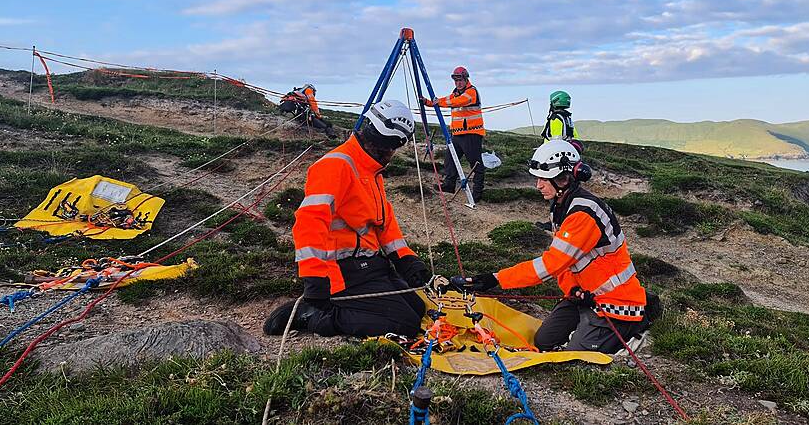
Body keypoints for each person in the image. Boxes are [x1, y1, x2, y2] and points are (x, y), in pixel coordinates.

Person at [450, 140, 660, 353]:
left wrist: (496, 279)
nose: (538, 185)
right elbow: (566, 263)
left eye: (544, 179)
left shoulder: (582, 214)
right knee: (543, 341)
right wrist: (572, 289)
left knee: (574, 358)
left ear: (564, 179)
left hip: (615, 303)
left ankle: (636, 323)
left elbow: (551, 265)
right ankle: (586, 325)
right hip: (584, 296)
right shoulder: (562, 205)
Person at [263, 99, 431, 337]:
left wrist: (405, 260)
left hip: (370, 265)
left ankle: (338, 307)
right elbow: (310, 221)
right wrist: (315, 277)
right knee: (405, 326)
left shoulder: (370, 170)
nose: (392, 154)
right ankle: (311, 315)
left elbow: (383, 222)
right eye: (392, 148)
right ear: (386, 143)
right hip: (342, 272)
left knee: (417, 309)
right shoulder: (336, 165)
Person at [422, 66, 485, 201]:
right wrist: (429, 102)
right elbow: (446, 100)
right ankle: (449, 185)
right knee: (450, 161)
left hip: (471, 134)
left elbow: (456, 102)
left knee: (475, 163)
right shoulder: (455, 93)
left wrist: (439, 102)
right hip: (457, 134)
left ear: (466, 78)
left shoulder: (471, 92)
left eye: (460, 80)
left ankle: (477, 193)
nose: (458, 83)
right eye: (456, 80)